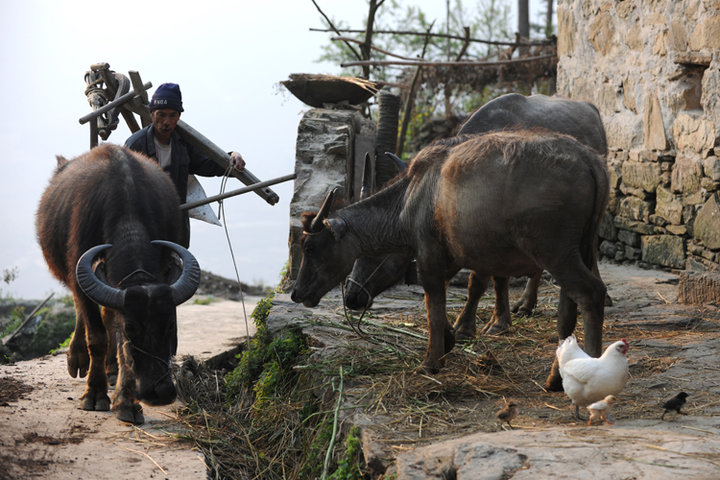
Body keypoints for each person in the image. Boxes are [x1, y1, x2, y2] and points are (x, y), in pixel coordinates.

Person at [125, 82, 245, 247]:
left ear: (179, 117)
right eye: (161, 115)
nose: (166, 122)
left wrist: (231, 157)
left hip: (175, 221)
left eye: (172, 115)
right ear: (151, 113)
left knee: (177, 267)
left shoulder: (183, 145)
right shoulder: (136, 145)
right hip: (144, 224)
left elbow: (208, 163)